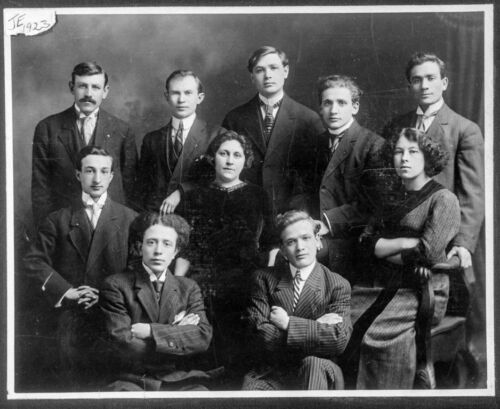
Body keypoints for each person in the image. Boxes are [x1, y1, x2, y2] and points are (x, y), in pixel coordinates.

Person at [342, 128, 461, 389]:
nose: (404, 158)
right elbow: (364, 242)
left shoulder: (444, 199)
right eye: (398, 152)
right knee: (342, 324)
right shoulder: (391, 197)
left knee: (377, 336)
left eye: (412, 152)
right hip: (379, 285)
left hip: (421, 289)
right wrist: (404, 243)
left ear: (428, 158)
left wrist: (381, 248)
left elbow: (427, 254)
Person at [23, 146, 138, 390]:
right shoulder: (57, 219)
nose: (97, 179)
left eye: (103, 171)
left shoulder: (130, 219)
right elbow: (34, 261)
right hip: (70, 315)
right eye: (89, 171)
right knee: (72, 381)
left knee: (114, 382)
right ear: (78, 175)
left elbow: (137, 269)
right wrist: (67, 291)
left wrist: (106, 295)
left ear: (111, 176)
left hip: (114, 314)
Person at [178, 130, 271, 380]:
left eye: (237, 155)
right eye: (224, 154)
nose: (230, 160)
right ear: (213, 158)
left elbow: (272, 244)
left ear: (245, 161)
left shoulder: (258, 195)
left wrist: (267, 277)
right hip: (204, 278)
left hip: (247, 279)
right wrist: (177, 285)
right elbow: (186, 246)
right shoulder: (196, 196)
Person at [385, 52, 484, 276]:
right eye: (417, 80)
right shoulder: (397, 125)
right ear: (410, 86)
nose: (424, 85)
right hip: (399, 237)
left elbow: (472, 194)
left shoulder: (464, 129)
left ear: (444, 82)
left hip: (441, 240)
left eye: (431, 78)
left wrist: (463, 243)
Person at [99, 213, 214, 391]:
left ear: (175, 251)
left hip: (180, 379)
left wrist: (151, 331)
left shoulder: (188, 288)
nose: (158, 251)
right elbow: (123, 343)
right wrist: (177, 333)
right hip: (132, 379)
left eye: (167, 244)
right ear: (139, 247)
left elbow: (202, 338)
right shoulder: (116, 285)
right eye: (151, 242)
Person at [242, 210, 352, 390]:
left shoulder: (337, 284)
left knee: (313, 364)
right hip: (274, 371)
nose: (300, 247)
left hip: (318, 368)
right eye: (291, 242)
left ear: (318, 241)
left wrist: (288, 324)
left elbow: (338, 340)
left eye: (306, 238)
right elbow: (260, 335)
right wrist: (316, 326)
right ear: (283, 250)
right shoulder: (263, 279)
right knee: (254, 388)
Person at [296, 75, 384, 280]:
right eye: (327, 103)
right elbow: (302, 192)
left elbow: (371, 205)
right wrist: (303, 222)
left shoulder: (373, 145)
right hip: (315, 235)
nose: (333, 110)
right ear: (320, 108)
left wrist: (326, 223)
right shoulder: (314, 145)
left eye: (341, 103)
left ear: (355, 107)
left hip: (351, 243)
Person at [222, 46, 324, 220]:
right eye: (260, 70)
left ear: (285, 71)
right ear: (252, 77)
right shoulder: (235, 118)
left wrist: (300, 214)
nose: (267, 75)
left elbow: (316, 178)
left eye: (274, 68)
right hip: (245, 212)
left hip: (293, 214)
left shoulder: (308, 119)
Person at [31, 61, 138, 225]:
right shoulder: (47, 128)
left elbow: (131, 187)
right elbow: (41, 190)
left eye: (95, 87)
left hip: (111, 226)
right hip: (64, 227)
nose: (88, 93)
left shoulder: (122, 130)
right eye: (82, 86)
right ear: (71, 87)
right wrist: (49, 231)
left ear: (105, 91)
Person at [138, 70, 217, 214]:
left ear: (200, 97)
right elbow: (143, 188)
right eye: (175, 93)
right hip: (159, 220)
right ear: (166, 97)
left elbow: (218, 180)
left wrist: (182, 191)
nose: (181, 100)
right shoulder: (152, 139)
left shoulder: (215, 135)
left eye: (188, 93)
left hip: (198, 217)